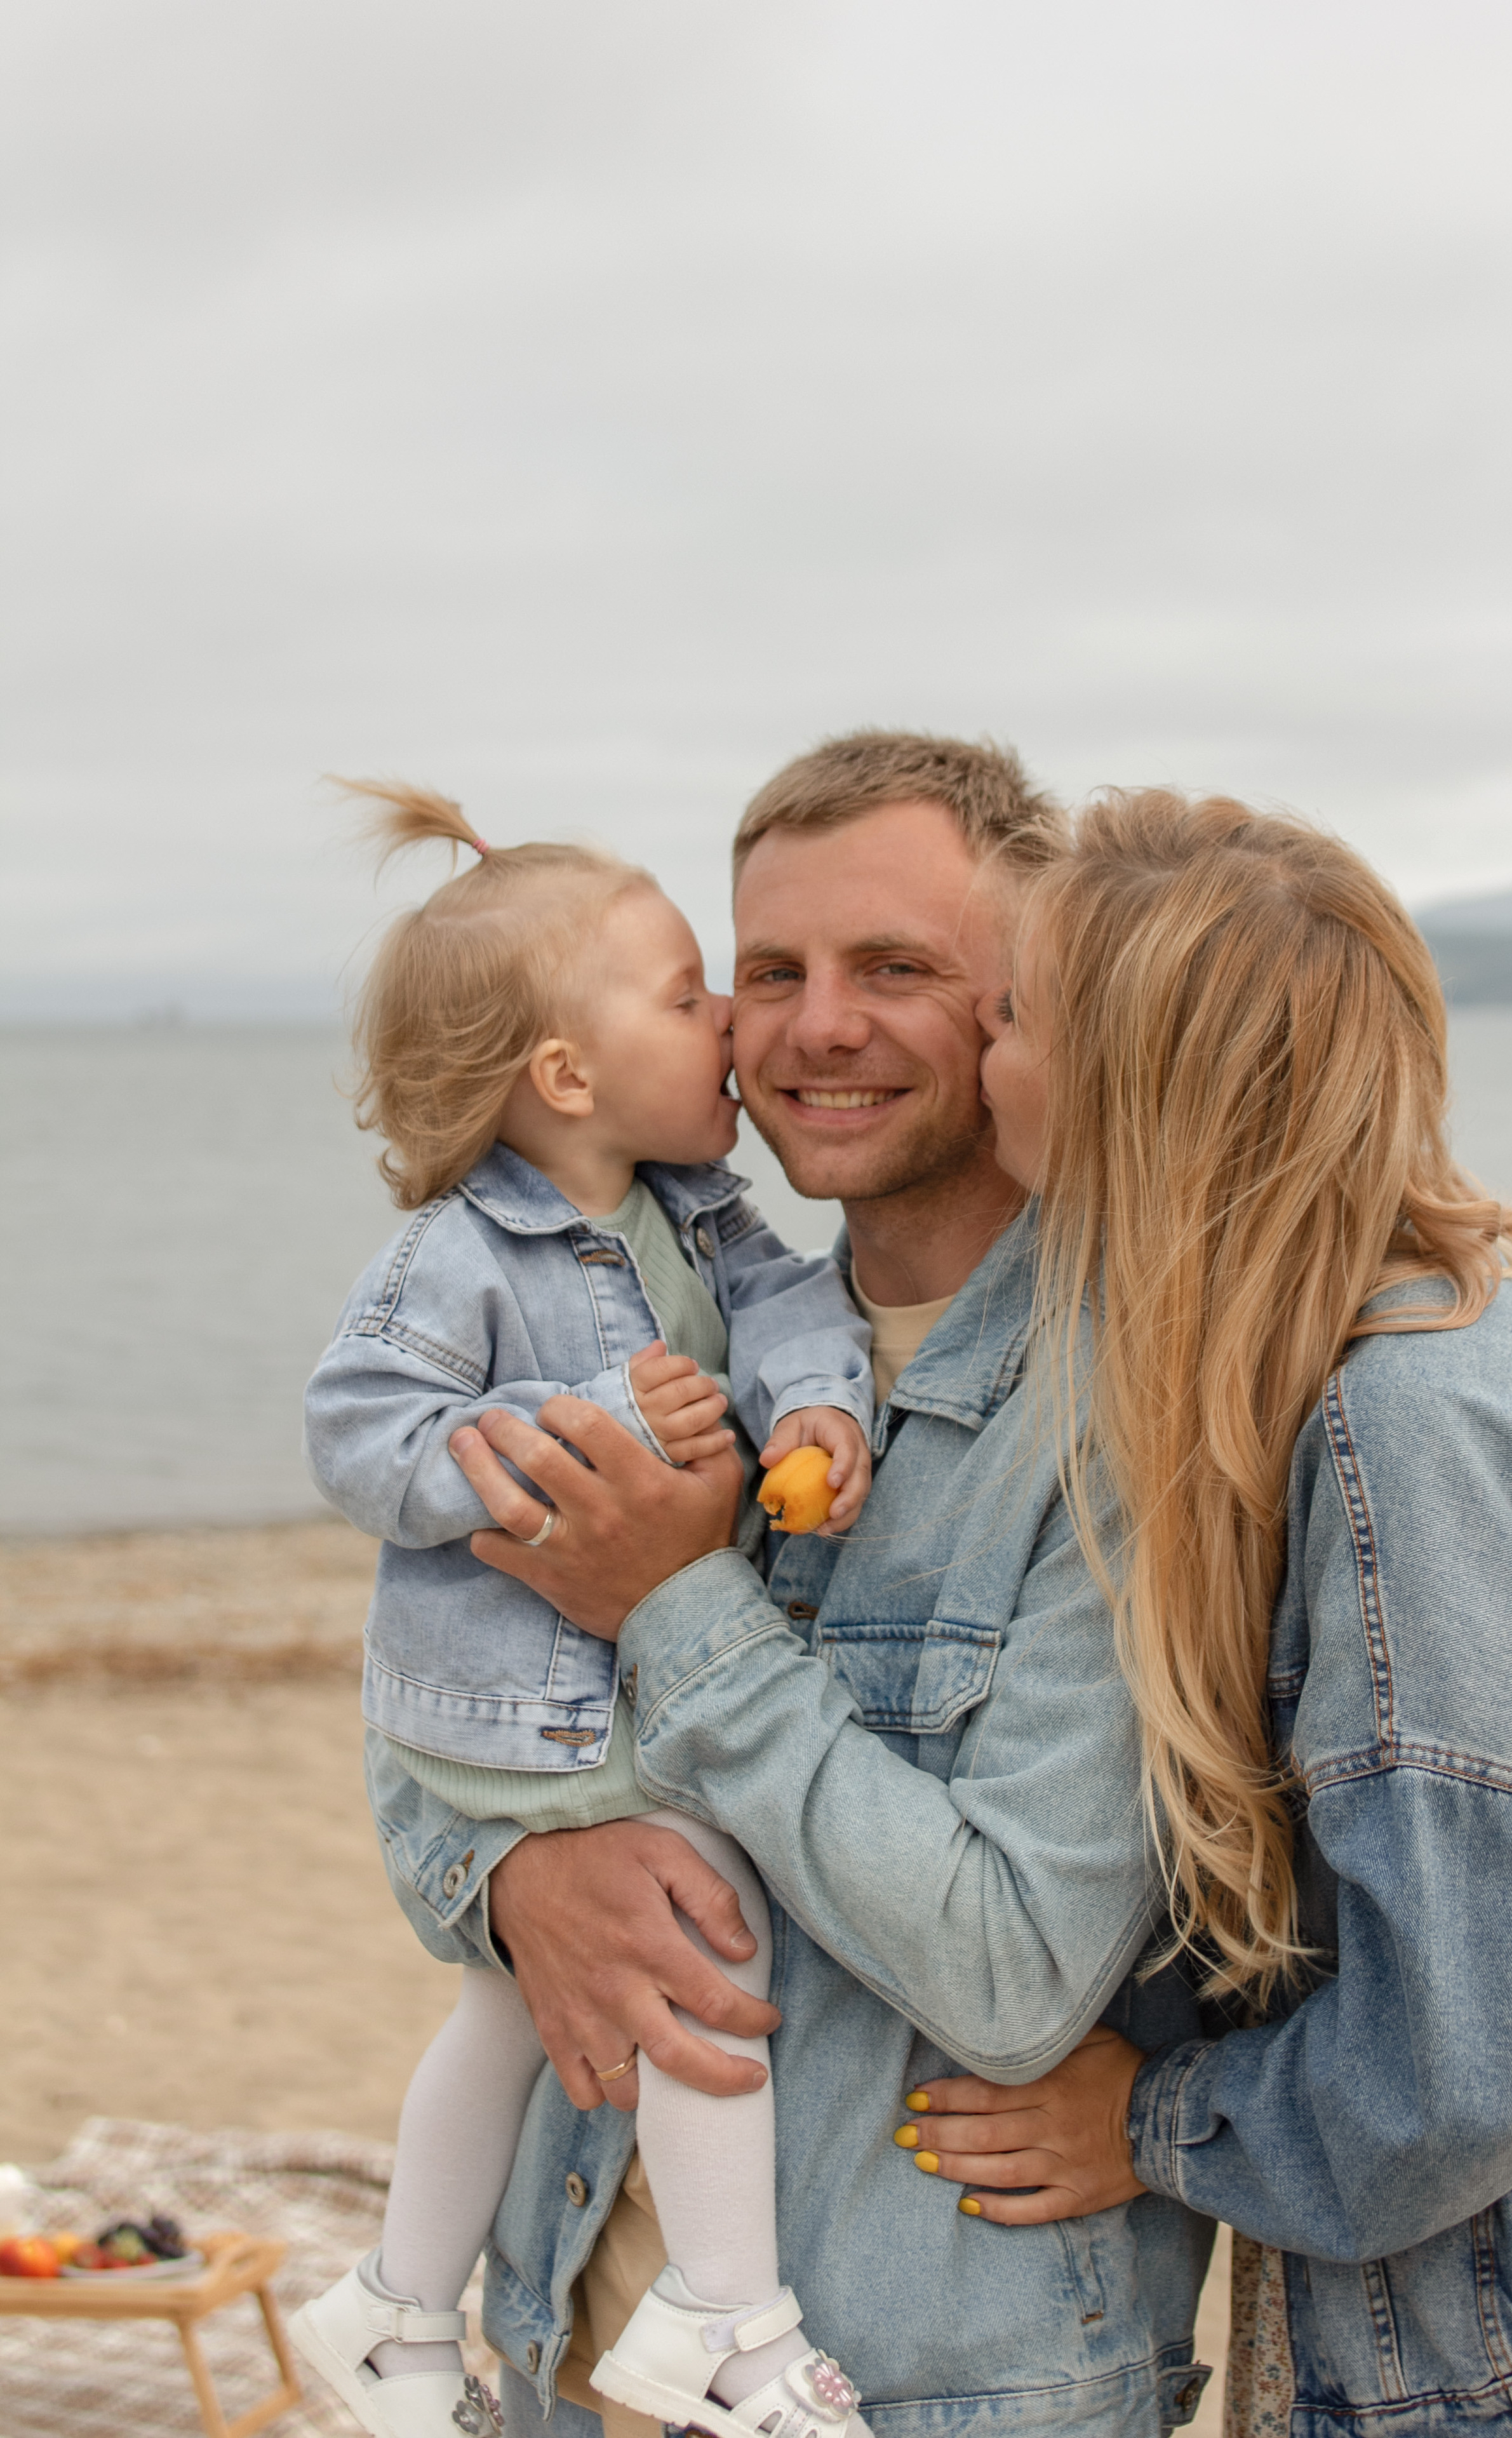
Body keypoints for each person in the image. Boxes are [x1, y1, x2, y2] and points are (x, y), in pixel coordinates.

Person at [384, 731, 1221, 2438]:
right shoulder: (671, 1334)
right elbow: (430, 1715)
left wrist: (677, 1605)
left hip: (926, 2393)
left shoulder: (1133, 1411)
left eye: (896, 969)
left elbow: (1014, 1976)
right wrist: (515, 1880)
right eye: (768, 973)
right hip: (561, 2350)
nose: (815, 1028)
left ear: (1020, 1013)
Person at [916, 788, 1512, 2438]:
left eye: (1013, 1015)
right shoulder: (1428, 1321)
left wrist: (1153, 2123)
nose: (974, 1043)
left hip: (1473, 2374)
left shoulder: (1413, 1428)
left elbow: (1482, 2052)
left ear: (1130, 1089)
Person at [292, 781, 877, 2438]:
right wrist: (580, 1439)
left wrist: (817, 1408)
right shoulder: (461, 1254)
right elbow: (359, 1435)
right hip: (518, 1704)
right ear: (567, 1074)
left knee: (505, 2011)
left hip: (615, 1690)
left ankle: (397, 2308)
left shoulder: (698, 1212)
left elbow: (791, 1308)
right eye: (689, 998)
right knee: (701, 1934)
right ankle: (727, 2314)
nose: (732, 1026)